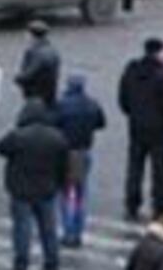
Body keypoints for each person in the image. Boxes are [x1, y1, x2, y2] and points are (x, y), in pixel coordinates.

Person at [0, 100, 71, 270]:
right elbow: (63, 165)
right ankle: (51, 260)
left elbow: (0, 148)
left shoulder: (18, 136)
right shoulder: (57, 137)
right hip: (47, 189)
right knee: (48, 229)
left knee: (22, 229)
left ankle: (21, 261)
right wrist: (60, 184)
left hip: (21, 189)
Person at [121, 37, 163, 220]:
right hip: (160, 130)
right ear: (159, 52)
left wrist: (133, 114)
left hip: (137, 127)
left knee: (135, 167)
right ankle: (159, 206)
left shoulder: (131, 70)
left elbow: (123, 99)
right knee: (159, 170)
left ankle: (132, 203)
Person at [53, 75, 106, 247]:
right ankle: (78, 231)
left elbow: (53, 123)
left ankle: (67, 230)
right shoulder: (92, 104)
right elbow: (101, 123)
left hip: (64, 152)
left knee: (64, 194)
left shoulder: (61, 105)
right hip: (84, 151)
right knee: (81, 194)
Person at [16, 20, 62, 106]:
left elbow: (29, 74)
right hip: (51, 94)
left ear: (32, 35)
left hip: (35, 95)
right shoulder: (53, 51)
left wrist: (18, 79)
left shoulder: (33, 52)